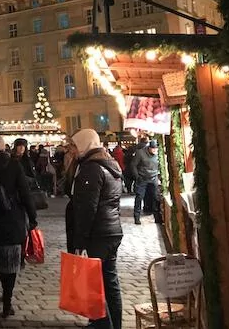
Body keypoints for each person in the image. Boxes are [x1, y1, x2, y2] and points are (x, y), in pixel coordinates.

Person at [70, 129, 124, 329]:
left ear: (84, 145)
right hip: (111, 230)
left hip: (98, 234)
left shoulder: (91, 168)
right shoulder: (110, 164)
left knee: (94, 284)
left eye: (75, 146)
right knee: (109, 282)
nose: (73, 150)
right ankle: (114, 324)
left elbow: (87, 208)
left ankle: (104, 324)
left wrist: (81, 240)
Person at [0, 134, 37, 318]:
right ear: (3, 147)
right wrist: (32, 217)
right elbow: (25, 192)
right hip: (12, 219)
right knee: (11, 263)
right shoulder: (14, 164)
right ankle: (7, 301)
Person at [130, 139, 161, 224]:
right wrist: (137, 176)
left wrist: (159, 176)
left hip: (154, 177)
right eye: (153, 149)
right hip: (142, 178)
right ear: (149, 148)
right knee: (139, 197)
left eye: (156, 149)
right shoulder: (140, 153)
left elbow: (160, 164)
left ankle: (157, 217)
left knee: (155, 197)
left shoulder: (158, 154)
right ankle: (137, 217)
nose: (155, 150)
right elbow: (133, 165)